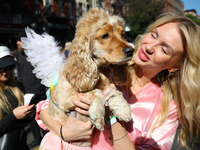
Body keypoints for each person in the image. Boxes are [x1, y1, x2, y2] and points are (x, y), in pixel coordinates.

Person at [36, 12, 200, 150]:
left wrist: (111, 117)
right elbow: (45, 107)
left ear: (175, 66)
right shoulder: (104, 66)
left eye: (164, 49)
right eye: (153, 35)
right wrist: (63, 131)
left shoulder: (168, 108)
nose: (149, 46)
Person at [15, 31, 47, 148]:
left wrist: (41, 90)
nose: (18, 42)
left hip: (38, 93)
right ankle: (37, 140)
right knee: (30, 119)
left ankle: (47, 140)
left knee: (43, 117)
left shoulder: (36, 54)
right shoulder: (20, 55)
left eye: (20, 40)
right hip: (26, 92)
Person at [0, 45, 36, 150]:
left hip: (21, 144)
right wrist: (13, 116)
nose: (6, 72)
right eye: (1, 68)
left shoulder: (17, 87)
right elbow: (12, 119)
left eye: (9, 67)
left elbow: (19, 122)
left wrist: (29, 113)